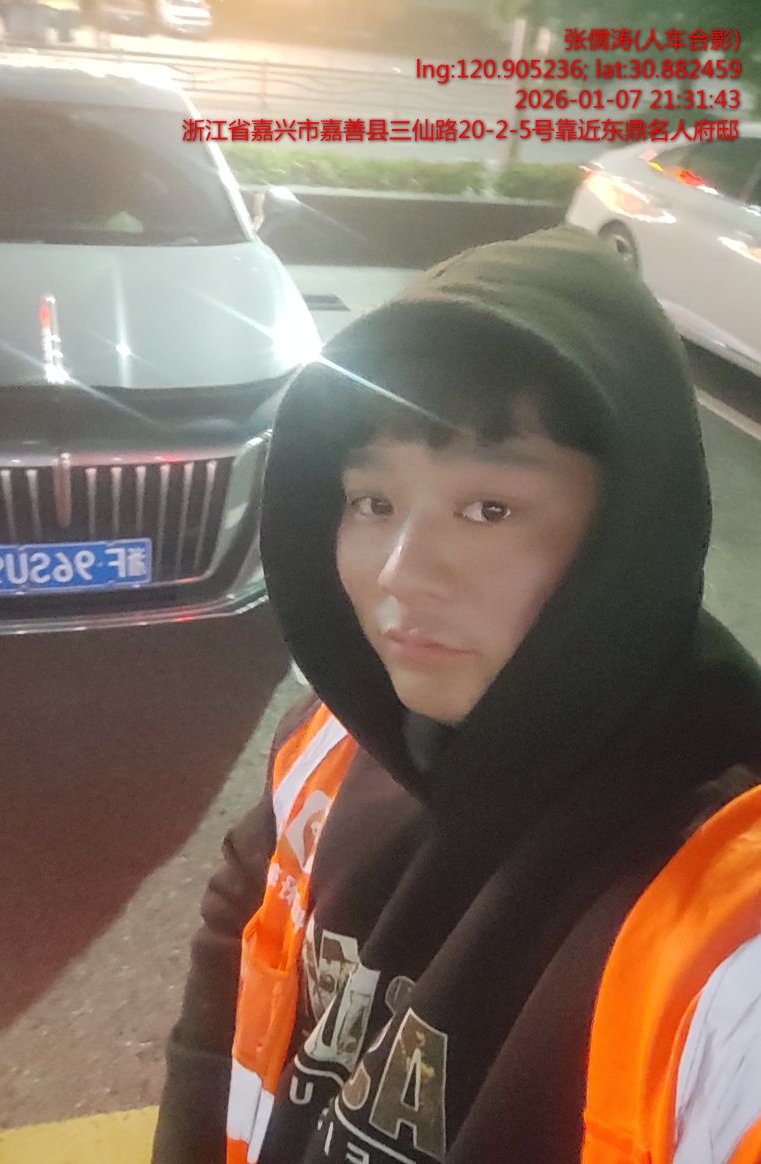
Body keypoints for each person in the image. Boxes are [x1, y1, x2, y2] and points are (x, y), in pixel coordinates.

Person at [151, 225, 761, 1163]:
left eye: (488, 509)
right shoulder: (335, 748)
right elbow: (222, 1002)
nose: (401, 572)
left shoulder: (726, 915)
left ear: (630, 530)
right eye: (373, 502)